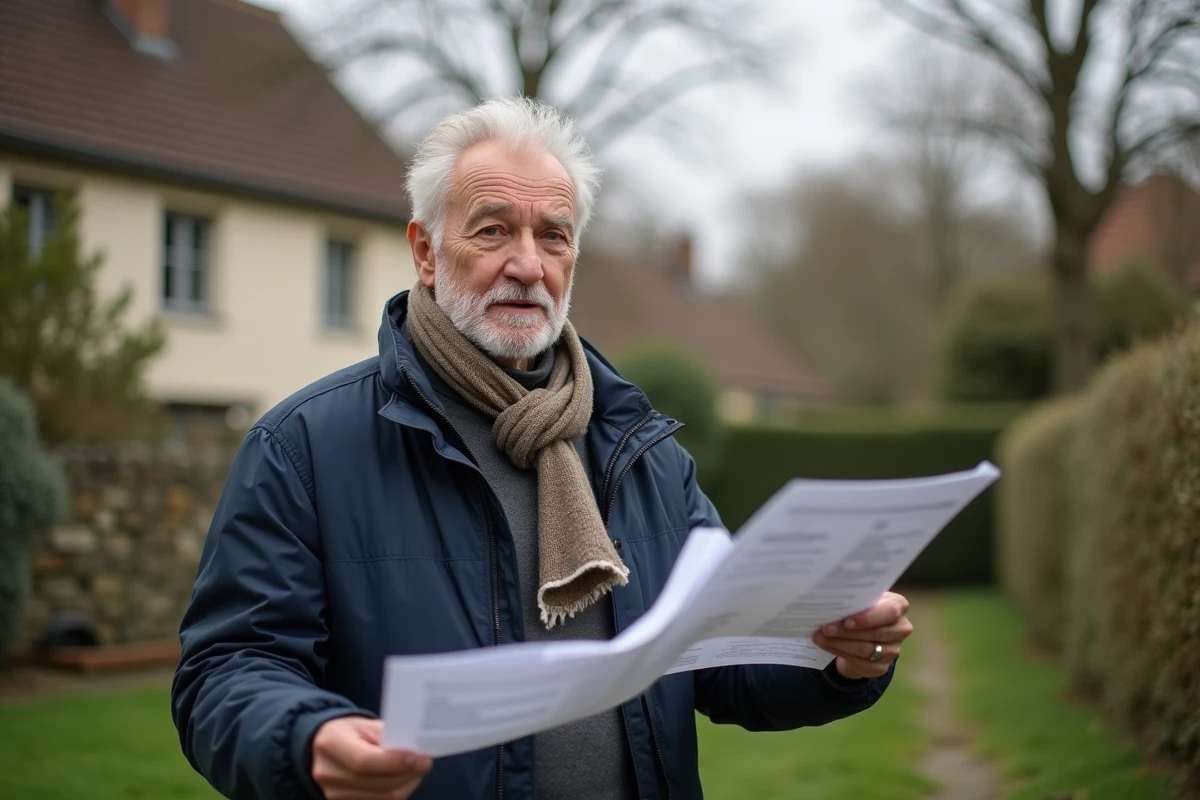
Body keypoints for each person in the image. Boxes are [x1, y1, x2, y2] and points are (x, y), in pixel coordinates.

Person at [170, 96, 913, 800]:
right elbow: (227, 670)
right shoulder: (302, 447)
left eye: (552, 235)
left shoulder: (640, 450)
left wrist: (836, 656)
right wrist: (306, 736)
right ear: (425, 251)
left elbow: (725, 662)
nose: (528, 265)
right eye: (494, 230)